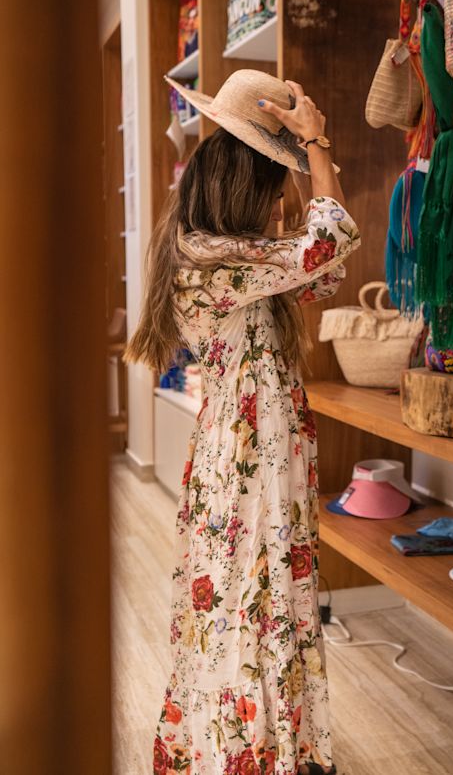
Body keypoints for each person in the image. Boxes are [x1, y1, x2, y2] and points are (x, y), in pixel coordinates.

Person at [125, 69, 361, 775]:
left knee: (259, 599)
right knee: (253, 601)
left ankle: (264, 745)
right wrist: (315, 141)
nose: (283, 201)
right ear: (244, 183)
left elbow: (327, 270)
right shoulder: (210, 257)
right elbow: (330, 242)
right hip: (249, 453)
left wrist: (315, 159)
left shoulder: (226, 252)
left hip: (255, 444)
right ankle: (250, 751)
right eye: (274, 185)